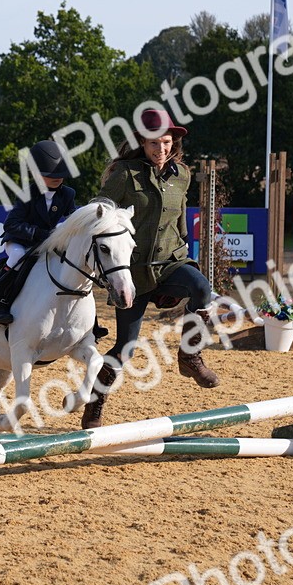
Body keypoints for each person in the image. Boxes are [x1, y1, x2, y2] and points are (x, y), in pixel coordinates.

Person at [81, 109, 220, 429]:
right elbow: (99, 211)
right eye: (154, 143)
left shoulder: (182, 174)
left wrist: (185, 245)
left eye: (167, 143)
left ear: (174, 143)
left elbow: (181, 218)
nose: (161, 150)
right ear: (142, 143)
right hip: (133, 272)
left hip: (171, 262)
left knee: (201, 289)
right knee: (125, 349)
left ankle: (190, 356)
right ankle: (95, 402)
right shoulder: (124, 175)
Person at [0, 140, 77, 326]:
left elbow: (73, 218)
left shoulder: (68, 194)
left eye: (61, 174)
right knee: (17, 257)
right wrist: (40, 234)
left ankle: (89, 320)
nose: (58, 178)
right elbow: (11, 224)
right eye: (51, 174)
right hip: (20, 241)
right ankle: (0, 303)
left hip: (46, 242)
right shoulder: (26, 194)